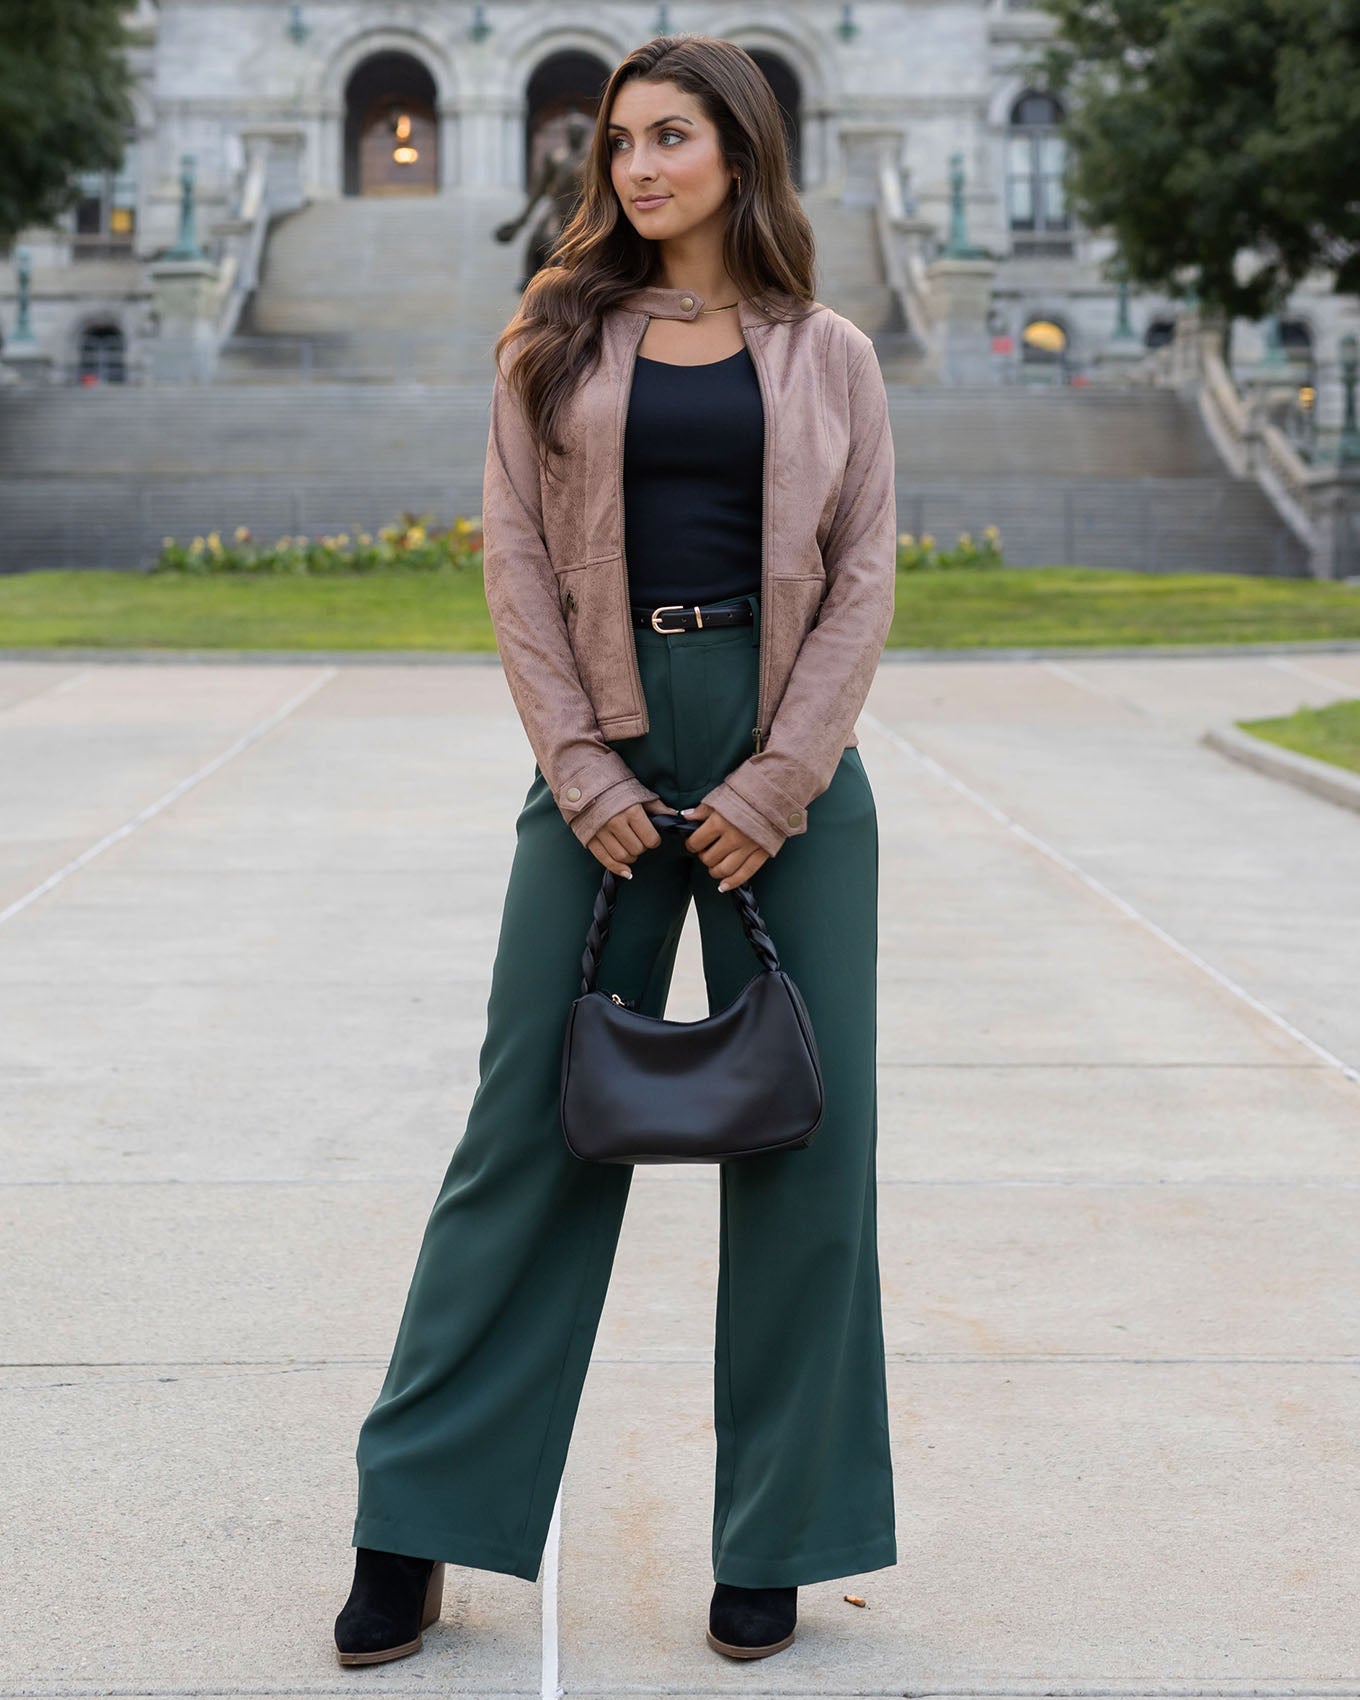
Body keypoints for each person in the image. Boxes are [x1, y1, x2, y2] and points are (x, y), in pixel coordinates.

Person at [334, 32, 898, 1670]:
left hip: (787, 757)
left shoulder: (831, 350)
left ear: (741, 152)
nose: (640, 166)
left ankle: (780, 1538)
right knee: (525, 1134)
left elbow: (862, 577)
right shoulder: (554, 333)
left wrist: (778, 781)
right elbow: (514, 556)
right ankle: (416, 1524)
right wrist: (579, 762)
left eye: (673, 137)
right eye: (620, 142)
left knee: (806, 1150)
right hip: (601, 741)